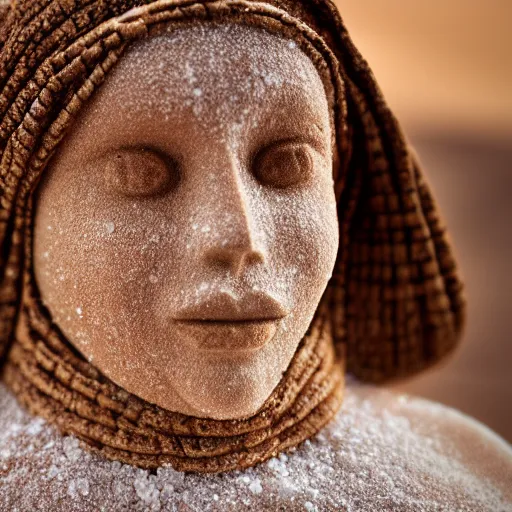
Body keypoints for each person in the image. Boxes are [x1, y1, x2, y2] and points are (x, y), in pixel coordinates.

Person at [0, 0, 510, 509]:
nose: (238, 237)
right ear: (23, 208)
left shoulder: (474, 484)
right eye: (142, 173)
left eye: (286, 165)